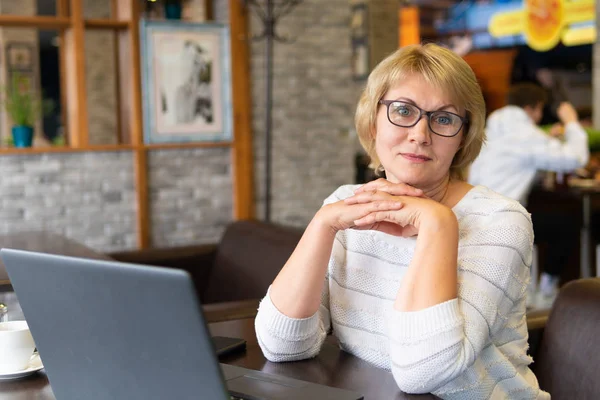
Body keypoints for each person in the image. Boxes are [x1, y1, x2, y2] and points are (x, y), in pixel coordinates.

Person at [254, 44, 549, 399]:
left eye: (443, 118)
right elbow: (283, 346)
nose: (420, 134)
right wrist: (322, 224)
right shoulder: (347, 206)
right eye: (403, 110)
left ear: (462, 137)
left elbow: (424, 373)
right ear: (373, 121)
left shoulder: (500, 222)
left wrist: (437, 222)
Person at [469, 83, 589, 308]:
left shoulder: (493, 127)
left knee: (550, 218)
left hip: (474, 216)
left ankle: (537, 289)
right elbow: (576, 158)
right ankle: (545, 294)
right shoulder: (525, 134)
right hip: (501, 222)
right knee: (568, 223)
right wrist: (571, 122)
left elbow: (517, 163)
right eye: (540, 110)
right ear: (532, 108)